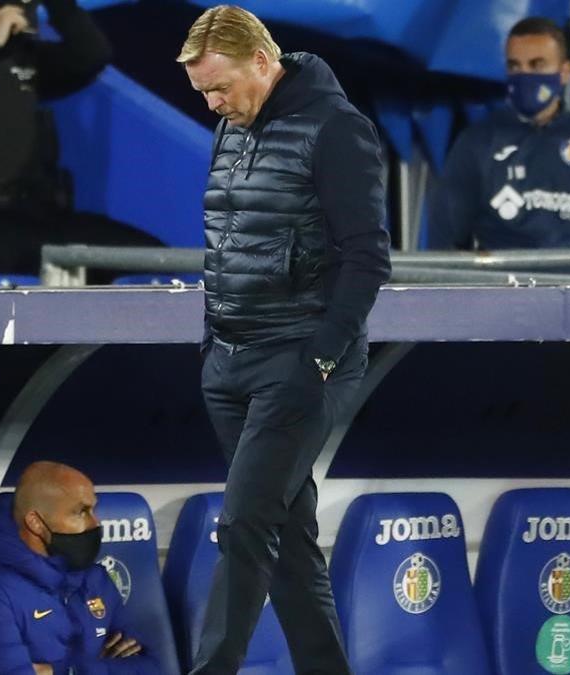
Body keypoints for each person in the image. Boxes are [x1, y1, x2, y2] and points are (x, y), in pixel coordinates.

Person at [176, 6, 391, 674]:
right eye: (203, 94)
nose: (213, 104)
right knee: (287, 538)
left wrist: (320, 355)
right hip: (229, 361)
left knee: (244, 524)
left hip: (298, 360)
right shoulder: (230, 129)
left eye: (220, 88)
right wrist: (213, 342)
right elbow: (229, 244)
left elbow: (368, 257)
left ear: (262, 63)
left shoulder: (336, 128)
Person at [0, 0, 161, 282]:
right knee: (58, 260)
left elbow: (92, 54)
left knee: (155, 259)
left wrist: (59, 5)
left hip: (41, 218)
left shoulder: (26, 59)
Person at [428, 17, 570, 276]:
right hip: (502, 300)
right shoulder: (477, 143)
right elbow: (443, 242)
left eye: (537, 65)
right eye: (515, 66)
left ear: (565, 72)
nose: (525, 76)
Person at [0, 461, 158, 674]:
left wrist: (62, 671)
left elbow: (151, 668)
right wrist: (106, 667)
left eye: (94, 509)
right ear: (36, 523)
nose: (96, 523)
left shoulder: (97, 580)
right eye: (81, 512)